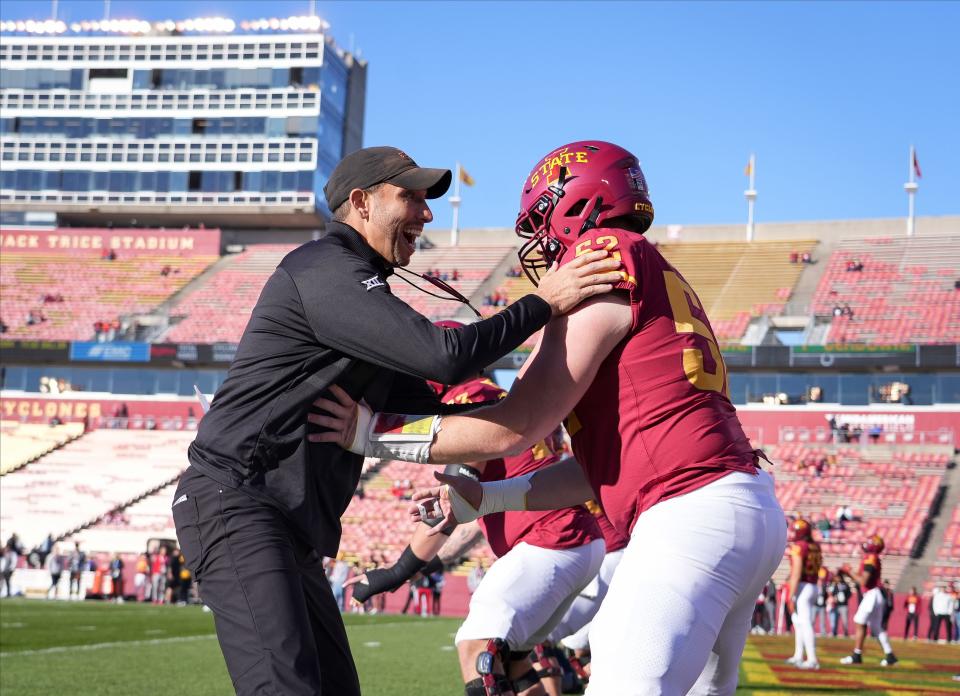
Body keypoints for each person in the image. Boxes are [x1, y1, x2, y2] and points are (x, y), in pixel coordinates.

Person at [313, 140, 787, 694]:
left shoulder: (605, 252)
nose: (537, 241)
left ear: (575, 204)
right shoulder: (650, 271)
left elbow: (518, 422)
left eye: (541, 219)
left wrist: (372, 434)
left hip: (692, 515)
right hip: (740, 507)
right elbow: (598, 472)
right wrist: (491, 499)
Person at [172, 145, 620, 696]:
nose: (426, 213)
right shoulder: (324, 267)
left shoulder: (356, 282)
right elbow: (445, 357)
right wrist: (541, 304)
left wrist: (553, 401)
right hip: (237, 503)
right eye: (410, 196)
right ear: (360, 203)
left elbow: (437, 404)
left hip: (284, 523)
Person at [345, 368, 604, 696]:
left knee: (476, 649)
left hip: (551, 539)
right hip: (572, 538)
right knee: (515, 663)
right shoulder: (500, 395)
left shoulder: (471, 398)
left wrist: (397, 571)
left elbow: (455, 503)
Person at [837, 535, 898, 666]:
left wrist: (849, 571)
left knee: (859, 621)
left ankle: (857, 655)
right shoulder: (872, 558)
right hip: (876, 594)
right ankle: (890, 655)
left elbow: (863, 581)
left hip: (872, 594)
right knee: (876, 627)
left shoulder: (871, 558)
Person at [784, 519, 822, 670]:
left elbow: (796, 573)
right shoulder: (815, 546)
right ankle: (798, 655)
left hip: (803, 587)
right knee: (799, 623)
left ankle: (812, 659)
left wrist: (791, 595)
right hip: (813, 585)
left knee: (804, 623)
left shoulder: (799, 547)